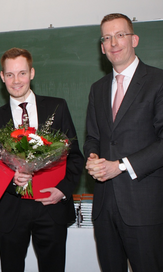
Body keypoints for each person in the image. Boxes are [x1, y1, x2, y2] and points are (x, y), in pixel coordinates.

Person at [0, 48, 84, 272]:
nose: (16, 80)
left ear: (32, 73)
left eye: (21, 73)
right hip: (12, 211)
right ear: (2, 77)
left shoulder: (57, 107)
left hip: (51, 206)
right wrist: (12, 181)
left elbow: (75, 156)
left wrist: (63, 190)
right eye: (9, 75)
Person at [84, 13, 163, 272]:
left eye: (120, 35)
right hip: (104, 207)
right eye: (107, 38)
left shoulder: (158, 81)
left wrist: (121, 165)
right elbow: (92, 137)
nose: (114, 42)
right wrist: (93, 158)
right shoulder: (97, 88)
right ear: (102, 47)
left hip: (144, 207)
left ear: (134, 39)